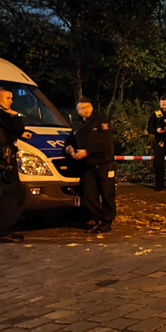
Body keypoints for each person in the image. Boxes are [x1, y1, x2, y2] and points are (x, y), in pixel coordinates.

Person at [0, 88, 32, 243]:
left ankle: (4, 231)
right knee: (9, 196)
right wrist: (17, 116)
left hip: (0, 159)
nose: (11, 101)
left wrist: (19, 134)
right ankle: (2, 233)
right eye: (8, 98)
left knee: (15, 196)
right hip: (4, 160)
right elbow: (17, 127)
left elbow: (3, 132)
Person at [65, 98, 116, 233]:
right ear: (77, 111)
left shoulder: (101, 121)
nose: (85, 110)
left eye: (87, 107)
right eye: (81, 108)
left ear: (92, 107)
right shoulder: (77, 125)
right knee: (90, 195)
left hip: (103, 163)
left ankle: (107, 221)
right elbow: (70, 141)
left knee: (107, 194)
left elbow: (105, 143)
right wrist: (68, 149)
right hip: (87, 166)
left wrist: (87, 152)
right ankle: (98, 219)